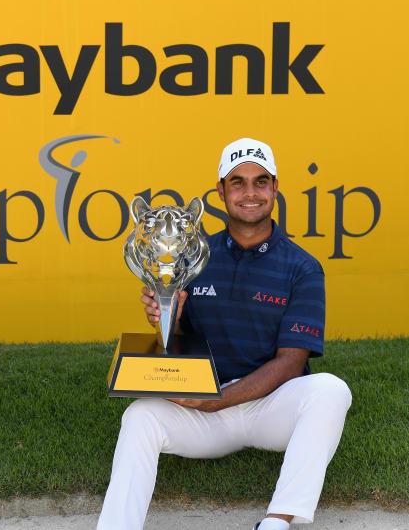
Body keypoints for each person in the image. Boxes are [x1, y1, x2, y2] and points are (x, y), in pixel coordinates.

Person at [96, 138, 353, 530]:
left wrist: (219, 401)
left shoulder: (302, 267)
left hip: (269, 406)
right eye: (238, 183)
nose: (250, 193)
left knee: (332, 391)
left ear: (274, 188)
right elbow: (181, 342)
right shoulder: (192, 256)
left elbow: (291, 363)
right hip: (206, 410)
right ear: (220, 191)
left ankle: (277, 522)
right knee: (140, 416)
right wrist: (168, 318)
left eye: (260, 182)